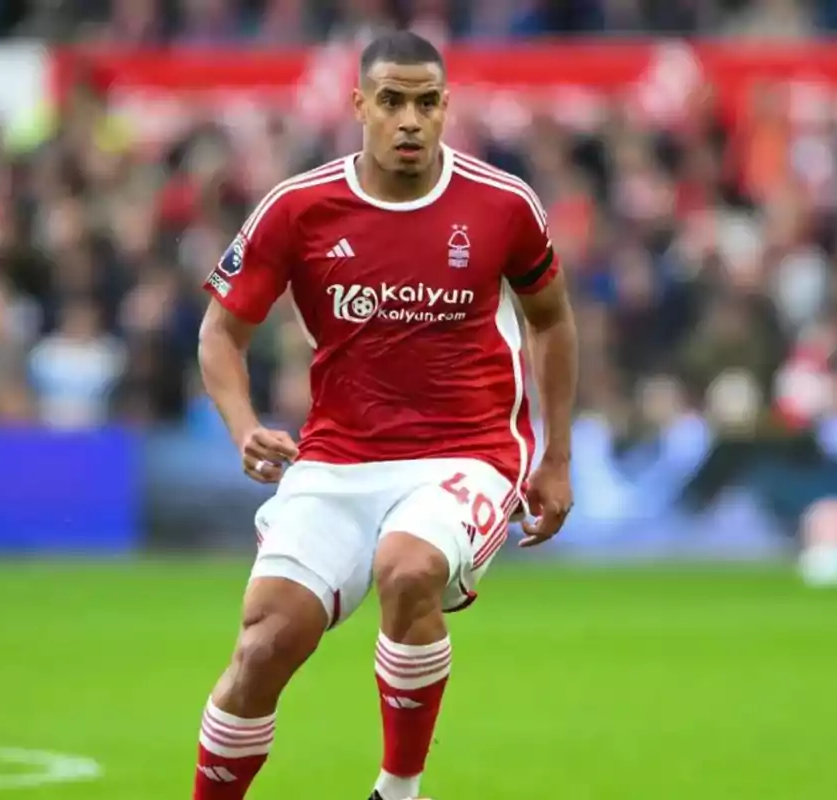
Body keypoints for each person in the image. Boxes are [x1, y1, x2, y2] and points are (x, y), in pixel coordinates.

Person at [194, 31, 578, 800]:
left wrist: (556, 458)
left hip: (467, 453)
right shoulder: (298, 208)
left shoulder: (502, 204)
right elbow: (219, 334)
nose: (411, 119)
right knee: (266, 642)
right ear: (359, 105)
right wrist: (243, 428)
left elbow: (552, 320)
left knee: (408, 568)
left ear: (446, 109)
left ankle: (398, 791)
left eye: (427, 102)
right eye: (393, 101)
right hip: (338, 460)